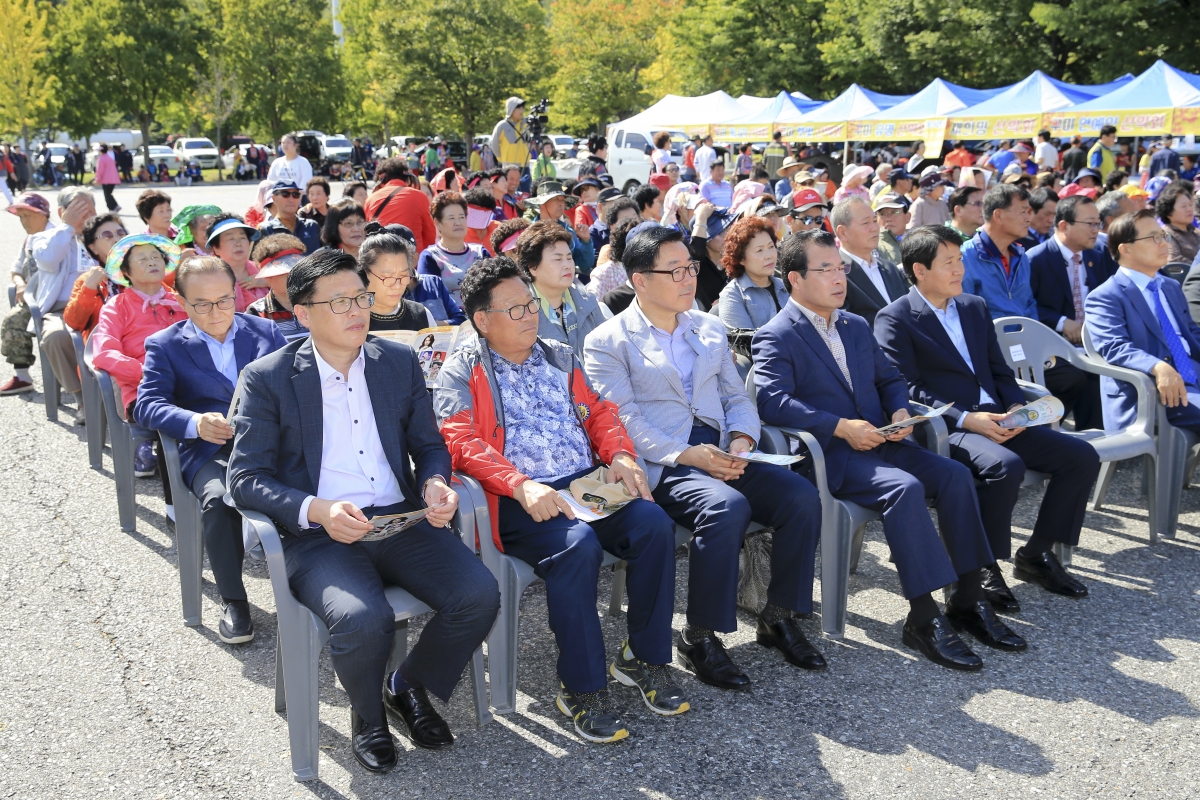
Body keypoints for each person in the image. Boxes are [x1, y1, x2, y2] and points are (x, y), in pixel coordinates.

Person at [228, 249, 500, 773]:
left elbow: (430, 444)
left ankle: (408, 685)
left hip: (398, 518)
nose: (357, 311)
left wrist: (436, 483)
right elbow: (244, 480)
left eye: (361, 297)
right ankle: (369, 716)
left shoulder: (396, 362)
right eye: (339, 302)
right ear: (302, 312)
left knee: (477, 593)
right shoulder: (269, 377)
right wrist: (316, 509)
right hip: (319, 534)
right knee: (362, 617)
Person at [435, 257, 684, 742]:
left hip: (584, 484)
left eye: (531, 303)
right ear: (482, 321)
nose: (530, 315)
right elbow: (459, 439)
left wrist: (621, 454)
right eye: (515, 310)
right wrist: (519, 483)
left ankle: (645, 657)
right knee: (577, 547)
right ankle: (581, 688)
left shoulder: (558, 354)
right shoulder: (462, 368)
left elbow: (600, 413)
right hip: (519, 497)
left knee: (653, 524)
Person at [754, 229, 1025, 670]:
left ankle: (970, 597)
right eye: (826, 270)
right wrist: (841, 427)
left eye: (841, 268)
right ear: (795, 279)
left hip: (883, 441)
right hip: (833, 457)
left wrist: (900, 412)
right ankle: (923, 616)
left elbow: (891, 379)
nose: (839, 278)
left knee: (955, 474)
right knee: (904, 488)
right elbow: (773, 401)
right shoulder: (777, 334)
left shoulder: (856, 325)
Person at [585, 225, 826, 689]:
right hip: (664, 461)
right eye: (673, 271)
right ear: (639, 279)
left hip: (722, 449)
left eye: (691, 267)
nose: (688, 278)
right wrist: (688, 454)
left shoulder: (708, 326)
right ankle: (700, 635)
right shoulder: (608, 341)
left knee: (799, 496)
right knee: (725, 506)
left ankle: (778, 616)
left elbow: (737, 398)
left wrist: (741, 440)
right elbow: (624, 422)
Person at [876, 225, 1100, 605]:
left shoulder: (973, 307)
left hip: (1000, 417)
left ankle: (1037, 553)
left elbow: (998, 371)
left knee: (1081, 457)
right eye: (948, 262)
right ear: (919, 270)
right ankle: (986, 565)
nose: (958, 270)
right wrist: (966, 419)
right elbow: (907, 387)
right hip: (950, 426)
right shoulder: (895, 318)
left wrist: (1015, 407)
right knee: (1005, 466)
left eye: (959, 259)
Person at [137, 256, 287, 641]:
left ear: (235, 293)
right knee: (220, 501)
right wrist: (194, 422)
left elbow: (299, 382)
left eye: (223, 300)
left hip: (273, 444)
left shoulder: (266, 332)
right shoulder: (165, 345)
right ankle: (234, 600)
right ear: (182, 302)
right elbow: (147, 404)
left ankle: (319, 586)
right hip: (209, 451)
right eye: (201, 304)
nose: (215, 312)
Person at [1086, 209, 1200, 436]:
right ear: (1125, 249)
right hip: (1154, 391)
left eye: (1163, 236)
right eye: (1153, 238)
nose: (1163, 243)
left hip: (1192, 376)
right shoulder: (1106, 296)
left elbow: (1192, 334)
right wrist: (1157, 366)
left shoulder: (1170, 286)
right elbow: (1115, 348)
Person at [1022, 195, 1106, 431]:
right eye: (1090, 223)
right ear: (1063, 226)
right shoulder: (1036, 259)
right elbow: (1027, 307)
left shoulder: (1096, 256)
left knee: (1100, 372)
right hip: (1050, 344)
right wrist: (1061, 322)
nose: (1096, 230)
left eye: (1098, 223)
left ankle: (1095, 441)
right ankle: (1048, 432)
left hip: (1090, 341)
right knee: (1080, 377)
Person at [26, 186, 97, 421]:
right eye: (77, 209)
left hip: (100, 305)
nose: (84, 215)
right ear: (61, 212)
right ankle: (82, 398)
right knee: (56, 336)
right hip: (60, 308)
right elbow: (47, 260)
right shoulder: (44, 238)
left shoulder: (100, 235)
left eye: (89, 209)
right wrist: (67, 227)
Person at [514, 222, 608, 356]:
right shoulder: (519, 312)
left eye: (569, 258)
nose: (567, 265)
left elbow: (609, 347)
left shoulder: (587, 300)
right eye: (558, 259)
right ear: (533, 267)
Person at [0, 193, 51, 395]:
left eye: (27, 215)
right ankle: (23, 376)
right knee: (12, 321)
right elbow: (15, 268)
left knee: (15, 320)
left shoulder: (55, 236)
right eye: (21, 217)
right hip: (32, 298)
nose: (24, 221)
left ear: (43, 214)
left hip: (52, 299)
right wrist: (20, 284)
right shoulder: (29, 239)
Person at [369, 222, 465, 325]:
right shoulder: (382, 291)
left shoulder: (434, 283)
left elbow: (460, 319)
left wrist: (430, 326)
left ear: (415, 258)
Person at [832, 197, 907, 327]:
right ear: (842, 232)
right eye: (866, 223)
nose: (875, 228)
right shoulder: (834, 274)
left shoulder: (889, 268)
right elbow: (845, 327)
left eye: (874, 221)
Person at [360, 225, 439, 332]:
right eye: (388, 277)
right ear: (364, 274)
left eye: (403, 276)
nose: (397, 286)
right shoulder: (352, 317)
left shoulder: (421, 314)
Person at [63, 213, 127, 343]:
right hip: (105, 351)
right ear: (93, 247)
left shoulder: (144, 270)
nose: (116, 239)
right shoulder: (88, 280)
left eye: (120, 233)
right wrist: (89, 289)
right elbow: (74, 323)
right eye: (107, 236)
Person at [417, 191, 488, 306]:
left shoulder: (481, 252)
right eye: (451, 218)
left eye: (461, 217)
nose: (458, 222)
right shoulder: (430, 257)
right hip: (451, 320)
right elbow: (430, 301)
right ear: (438, 223)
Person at [716, 216, 787, 330]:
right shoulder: (733, 295)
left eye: (771, 246)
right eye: (759, 250)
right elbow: (745, 344)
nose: (769, 255)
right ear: (741, 258)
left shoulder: (786, 286)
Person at [523, 180, 595, 278]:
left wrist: (586, 241)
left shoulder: (568, 231)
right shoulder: (529, 232)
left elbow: (585, 265)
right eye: (556, 199)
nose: (561, 204)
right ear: (542, 204)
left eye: (562, 200)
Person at [245, 234, 311, 341]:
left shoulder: (320, 302)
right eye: (285, 272)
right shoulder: (256, 312)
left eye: (298, 270)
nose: (295, 276)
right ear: (268, 277)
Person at [364, 158, 438, 252]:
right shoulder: (420, 196)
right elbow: (430, 235)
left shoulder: (370, 200)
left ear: (381, 182)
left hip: (380, 258)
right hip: (413, 259)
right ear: (407, 179)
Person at [206, 214, 269, 312]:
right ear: (216, 248)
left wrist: (270, 282)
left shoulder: (265, 270)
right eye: (230, 239)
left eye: (242, 237)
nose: (238, 243)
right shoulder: (207, 278)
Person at [257, 180, 323, 255]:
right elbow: (253, 264)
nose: (291, 199)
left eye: (295, 194)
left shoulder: (312, 227)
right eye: (285, 194)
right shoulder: (265, 230)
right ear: (274, 199)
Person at [687, 203, 732, 312]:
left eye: (727, 230)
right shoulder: (699, 265)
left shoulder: (732, 258)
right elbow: (696, 250)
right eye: (720, 232)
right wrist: (701, 219)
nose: (727, 236)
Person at [1157, 182, 1200, 266]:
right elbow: (1174, 261)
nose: (1189, 209)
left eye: (1190, 205)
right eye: (1184, 206)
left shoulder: (1195, 232)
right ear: (1169, 212)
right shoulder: (1166, 234)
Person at [490, 97, 531, 179]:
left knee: (526, 191)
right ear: (511, 109)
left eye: (522, 108)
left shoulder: (525, 124)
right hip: (509, 167)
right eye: (519, 108)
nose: (522, 111)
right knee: (510, 190)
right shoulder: (502, 125)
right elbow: (494, 145)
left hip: (525, 166)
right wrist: (502, 159)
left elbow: (528, 142)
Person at [874, 192, 910, 264]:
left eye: (895, 212)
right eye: (883, 214)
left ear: (907, 217)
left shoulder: (920, 240)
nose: (888, 218)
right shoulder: (872, 245)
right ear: (876, 219)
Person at [463, 186, 499, 254]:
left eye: (479, 213)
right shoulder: (460, 233)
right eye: (472, 212)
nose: (475, 217)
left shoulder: (499, 229)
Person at [95, 144, 121, 212]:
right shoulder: (109, 158)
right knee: (109, 193)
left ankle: (112, 207)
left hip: (106, 180)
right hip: (113, 179)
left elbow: (100, 170)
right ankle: (115, 206)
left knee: (107, 195)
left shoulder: (101, 159)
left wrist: (98, 179)